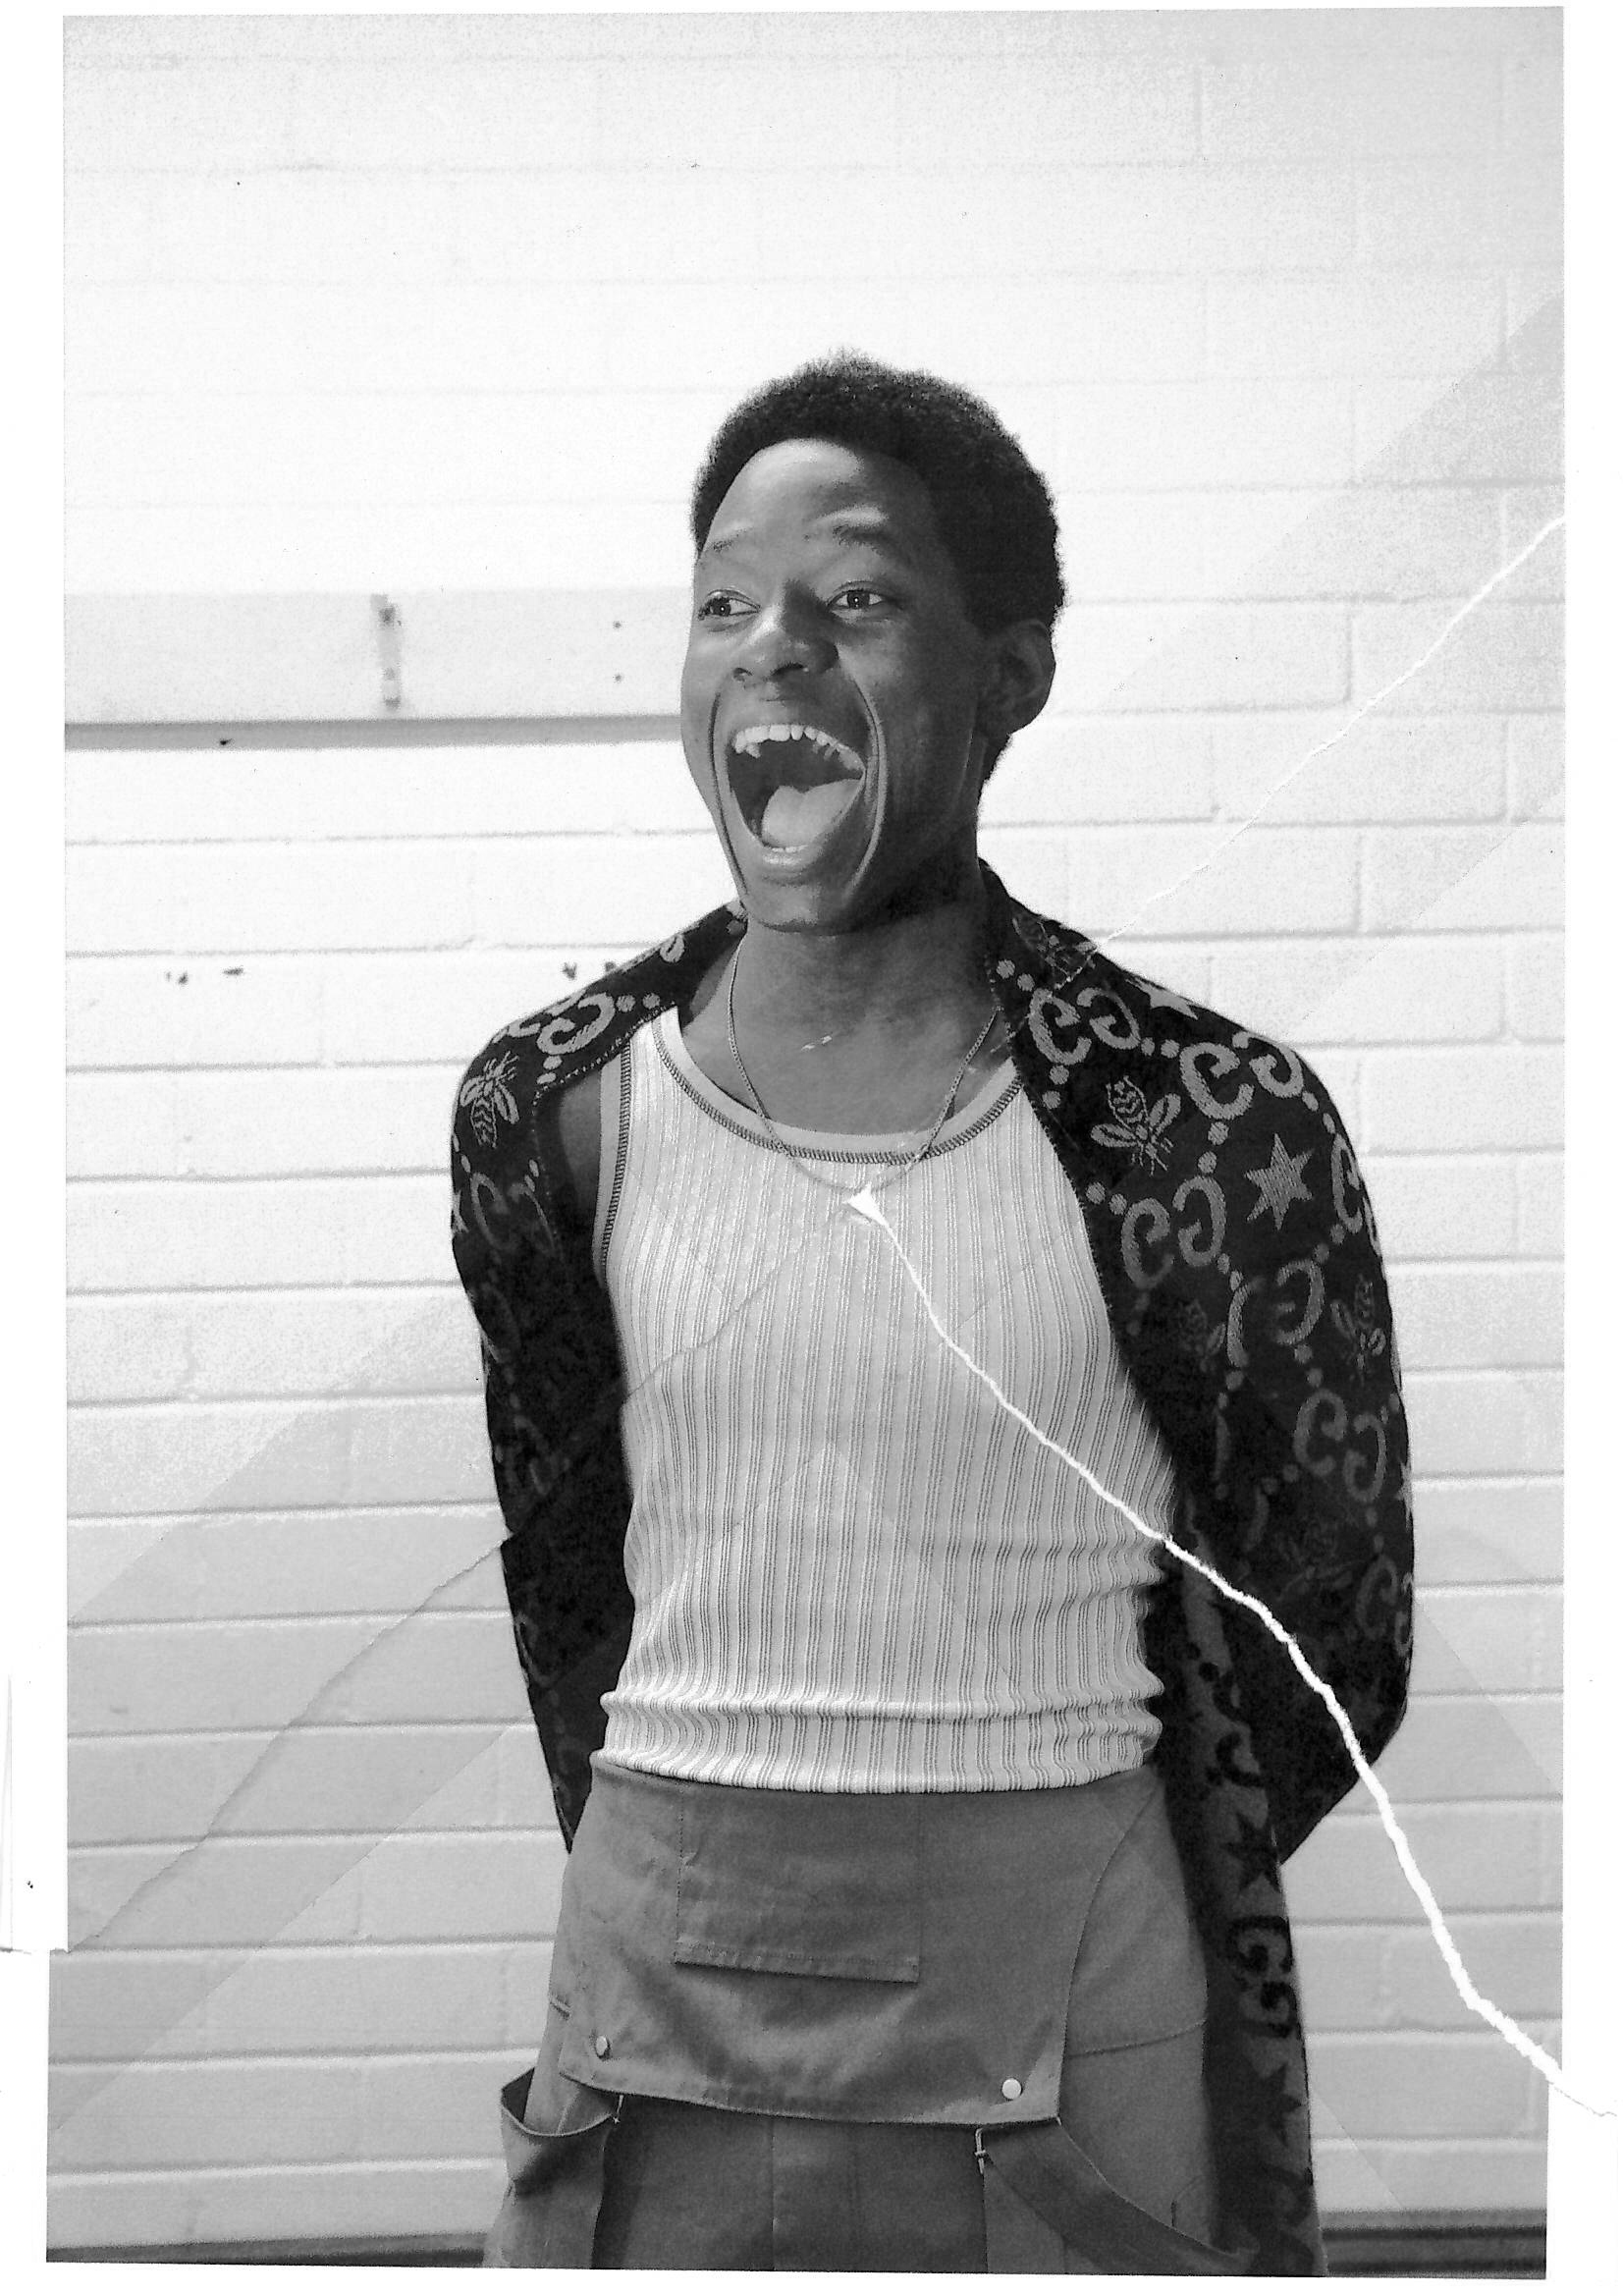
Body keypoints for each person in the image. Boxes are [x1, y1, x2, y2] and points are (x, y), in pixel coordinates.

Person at [451, 353, 1413, 2274]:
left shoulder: (1198, 1117)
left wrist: (1046, 1845)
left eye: (859, 596)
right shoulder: (548, 1107)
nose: (772, 647)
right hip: (654, 1977)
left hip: (1065, 1971)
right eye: (725, 603)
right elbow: (567, 1572)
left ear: (1011, 672)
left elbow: (1332, 1625)